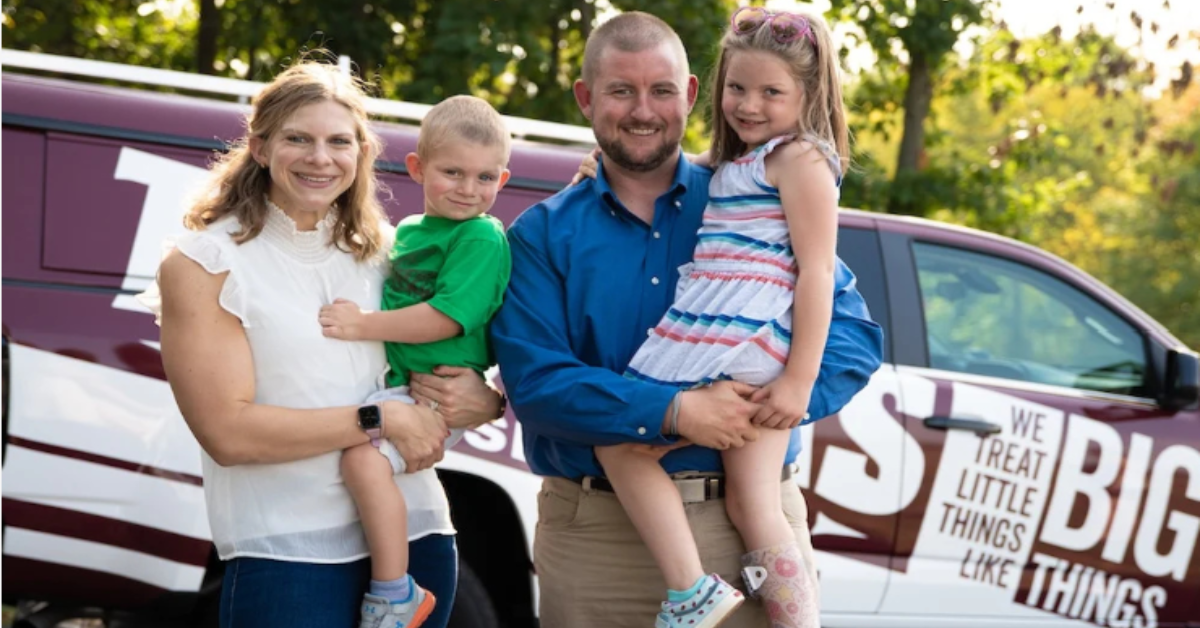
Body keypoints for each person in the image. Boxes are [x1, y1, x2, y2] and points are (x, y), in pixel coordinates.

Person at [491, 10, 881, 628]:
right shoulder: (542, 234)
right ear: (587, 99)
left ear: (691, 94)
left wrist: (764, 403)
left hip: (744, 524)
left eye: (662, 90)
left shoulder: (751, 197)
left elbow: (853, 338)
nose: (643, 110)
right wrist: (676, 412)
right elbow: (537, 387)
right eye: (621, 91)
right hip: (597, 541)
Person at [141, 59, 504, 628]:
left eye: (339, 141)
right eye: (298, 139)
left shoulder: (385, 251)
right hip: (290, 556)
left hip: (419, 539)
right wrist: (380, 419)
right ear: (260, 148)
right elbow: (228, 434)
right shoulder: (205, 263)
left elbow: (460, 336)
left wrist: (487, 401)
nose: (320, 157)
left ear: (361, 153)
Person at [316, 95, 512, 628]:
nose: (469, 189)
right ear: (417, 168)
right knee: (352, 461)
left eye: (485, 177)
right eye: (453, 172)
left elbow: (447, 318)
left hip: (437, 394)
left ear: (502, 178)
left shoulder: (480, 236)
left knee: (362, 462)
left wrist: (362, 324)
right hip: (401, 385)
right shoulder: (406, 233)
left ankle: (395, 592)